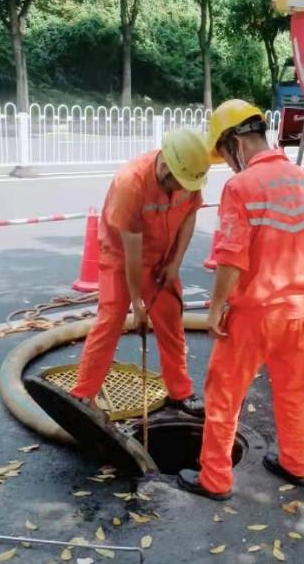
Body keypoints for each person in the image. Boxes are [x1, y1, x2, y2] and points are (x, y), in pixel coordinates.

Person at [178, 99, 304, 500]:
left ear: (235, 142)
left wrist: (216, 308)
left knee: (224, 395)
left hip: (254, 313)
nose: (228, 163)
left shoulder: (242, 186)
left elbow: (232, 257)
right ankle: (294, 463)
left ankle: (214, 479)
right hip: (299, 310)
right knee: (292, 390)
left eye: (225, 151)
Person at [71, 128, 210, 417]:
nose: (181, 190)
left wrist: (175, 264)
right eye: (177, 184)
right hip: (121, 259)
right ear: (164, 166)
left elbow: (189, 216)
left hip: (162, 259)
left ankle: (180, 392)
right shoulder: (131, 183)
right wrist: (137, 303)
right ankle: (83, 397)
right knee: (110, 323)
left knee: (171, 321)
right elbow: (132, 250)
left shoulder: (189, 174)